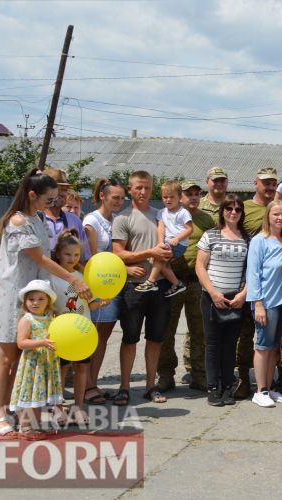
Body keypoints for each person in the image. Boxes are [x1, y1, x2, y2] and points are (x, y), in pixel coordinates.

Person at [0, 168, 91, 438]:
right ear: (32, 195)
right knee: (7, 356)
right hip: (13, 296)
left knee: (23, 357)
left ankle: (13, 409)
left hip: (35, 296)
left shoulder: (38, 219)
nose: (53, 204)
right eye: (49, 200)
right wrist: (74, 280)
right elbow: (41, 259)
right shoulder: (19, 221)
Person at [111, 171, 174, 406]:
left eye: (147, 188)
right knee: (130, 338)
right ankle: (124, 386)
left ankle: (150, 385)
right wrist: (149, 253)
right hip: (133, 287)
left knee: (155, 338)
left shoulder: (162, 216)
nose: (143, 192)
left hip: (160, 285)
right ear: (130, 189)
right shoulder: (123, 218)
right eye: (138, 187)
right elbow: (118, 254)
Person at [158, 180, 216, 392]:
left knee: (199, 330)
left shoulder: (206, 219)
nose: (192, 197)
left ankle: (198, 374)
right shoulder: (169, 215)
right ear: (179, 196)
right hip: (172, 280)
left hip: (196, 281)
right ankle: (165, 374)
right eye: (188, 193)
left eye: (196, 193)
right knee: (167, 330)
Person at [49, 229, 109, 425]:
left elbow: (89, 305)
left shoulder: (83, 276)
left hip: (83, 332)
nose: (72, 258)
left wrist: (101, 302)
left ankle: (78, 408)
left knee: (82, 369)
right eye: (67, 254)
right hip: (61, 333)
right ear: (57, 253)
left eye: (76, 255)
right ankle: (58, 408)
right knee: (62, 371)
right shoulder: (52, 276)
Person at [196, 195, 251, 407]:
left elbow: (252, 271)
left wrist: (243, 295)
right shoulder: (210, 236)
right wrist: (213, 293)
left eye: (238, 209)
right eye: (229, 208)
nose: (233, 212)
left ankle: (227, 387)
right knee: (212, 344)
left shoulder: (249, 239)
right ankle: (213, 388)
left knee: (230, 345)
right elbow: (200, 267)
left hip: (236, 299)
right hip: (211, 297)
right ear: (222, 211)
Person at [246, 200, 282, 408]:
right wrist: (258, 304)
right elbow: (253, 274)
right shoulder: (260, 240)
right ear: (267, 216)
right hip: (267, 301)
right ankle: (260, 390)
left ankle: (270, 386)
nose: (280, 218)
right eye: (276, 214)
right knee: (263, 346)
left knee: (274, 348)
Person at [236, 167, 279, 398]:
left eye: (273, 183)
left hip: (271, 285)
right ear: (255, 183)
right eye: (265, 183)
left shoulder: (281, 208)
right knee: (246, 334)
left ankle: (271, 383)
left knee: (270, 337)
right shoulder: (244, 208)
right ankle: (244, 378)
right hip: (244, 278)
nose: (269, 186)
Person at [82, 178, 124, 404]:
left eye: (121, 198)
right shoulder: (92, 221)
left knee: (103, 336)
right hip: (96, 285)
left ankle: (94, 383)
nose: (119, 201)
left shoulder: (116, 219)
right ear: (102, 196)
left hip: (112, 284)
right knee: (93, 336)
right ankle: (86, 386)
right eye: (114, 198)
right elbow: (88, 258)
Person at [8, 280, 62, 441]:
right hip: (33, 364)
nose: (36, 303)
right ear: (25, 301)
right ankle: (25, 428)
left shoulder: (50, 319)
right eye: (31, 299)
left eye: (40, 299)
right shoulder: (27, 320)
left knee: (38, 397)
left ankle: (36, 425)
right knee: (29, 396)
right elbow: (21, 343)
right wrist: (42, 343)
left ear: (48, 302)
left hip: (46, 363)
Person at [136, 180, 192, 297]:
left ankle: (151, 281)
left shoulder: (183, 212)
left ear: (180, 197)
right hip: (167, 242)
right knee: (163, 266)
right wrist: (161, 242)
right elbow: (161, 228)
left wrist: (177, 239)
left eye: (172, 197)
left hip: (179, 244)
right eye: (165, 197)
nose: (168, 200)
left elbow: (189, 229)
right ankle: (177, 284)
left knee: (158, 256)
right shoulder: (161, 212)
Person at [41, 168, 90, 261]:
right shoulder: (34, 219)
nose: (62, 194)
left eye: (65, 189)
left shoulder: (75, 221)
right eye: (58, 189)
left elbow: (84, 258)